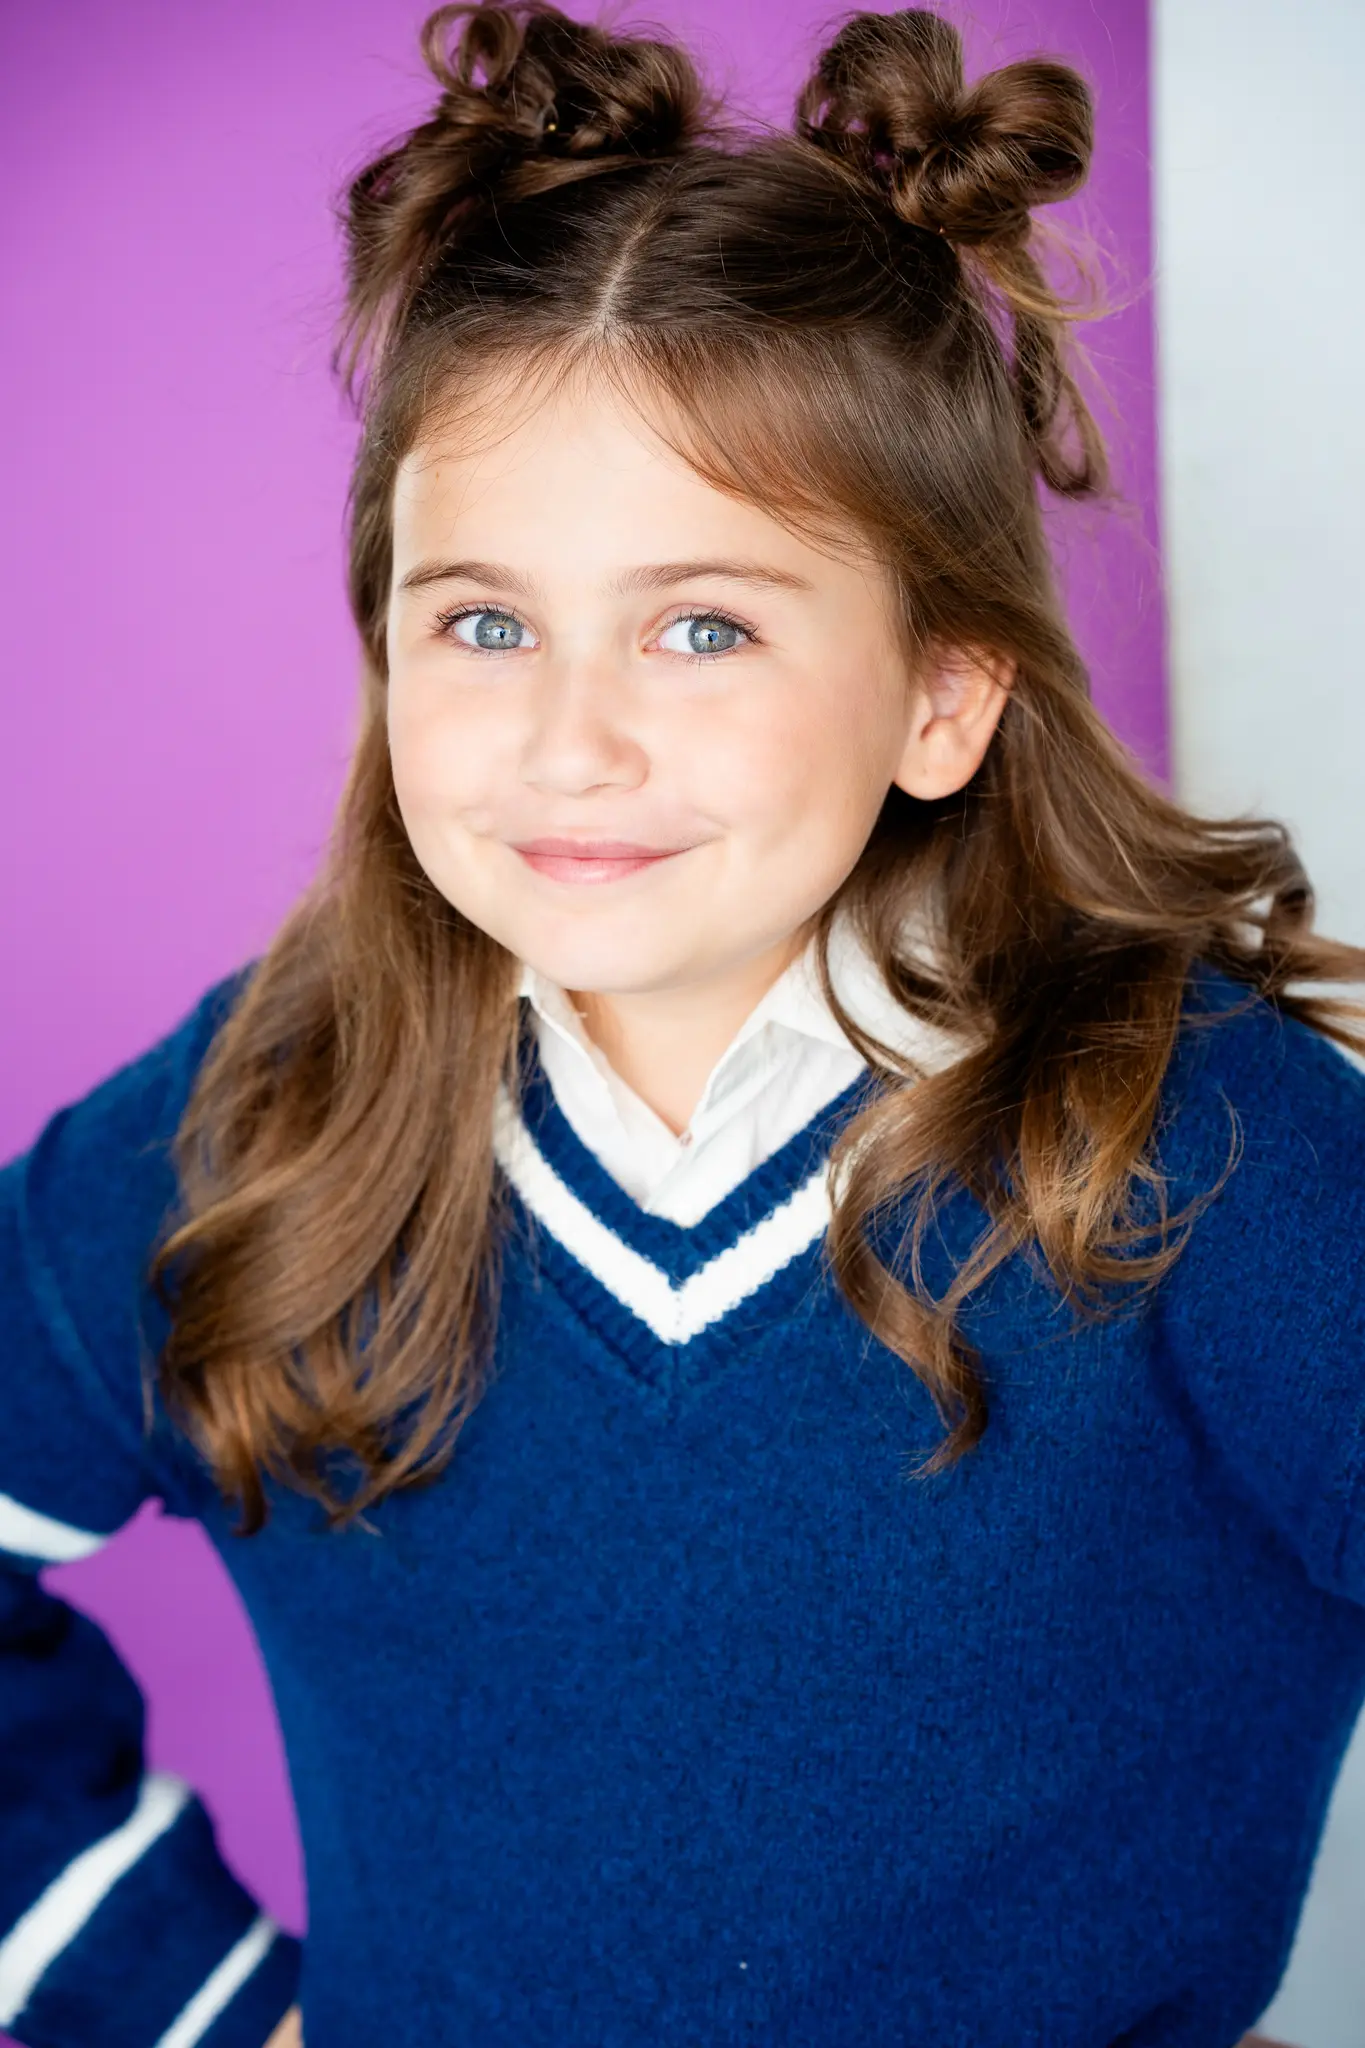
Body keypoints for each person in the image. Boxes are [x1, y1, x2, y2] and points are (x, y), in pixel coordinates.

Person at [1, 1, 1362, 2042]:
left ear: (940, 694)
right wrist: (184, 2001)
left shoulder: (1207, 1147)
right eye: (483, 621)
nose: (568, 740)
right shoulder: (267, 1110)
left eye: (702, 623)